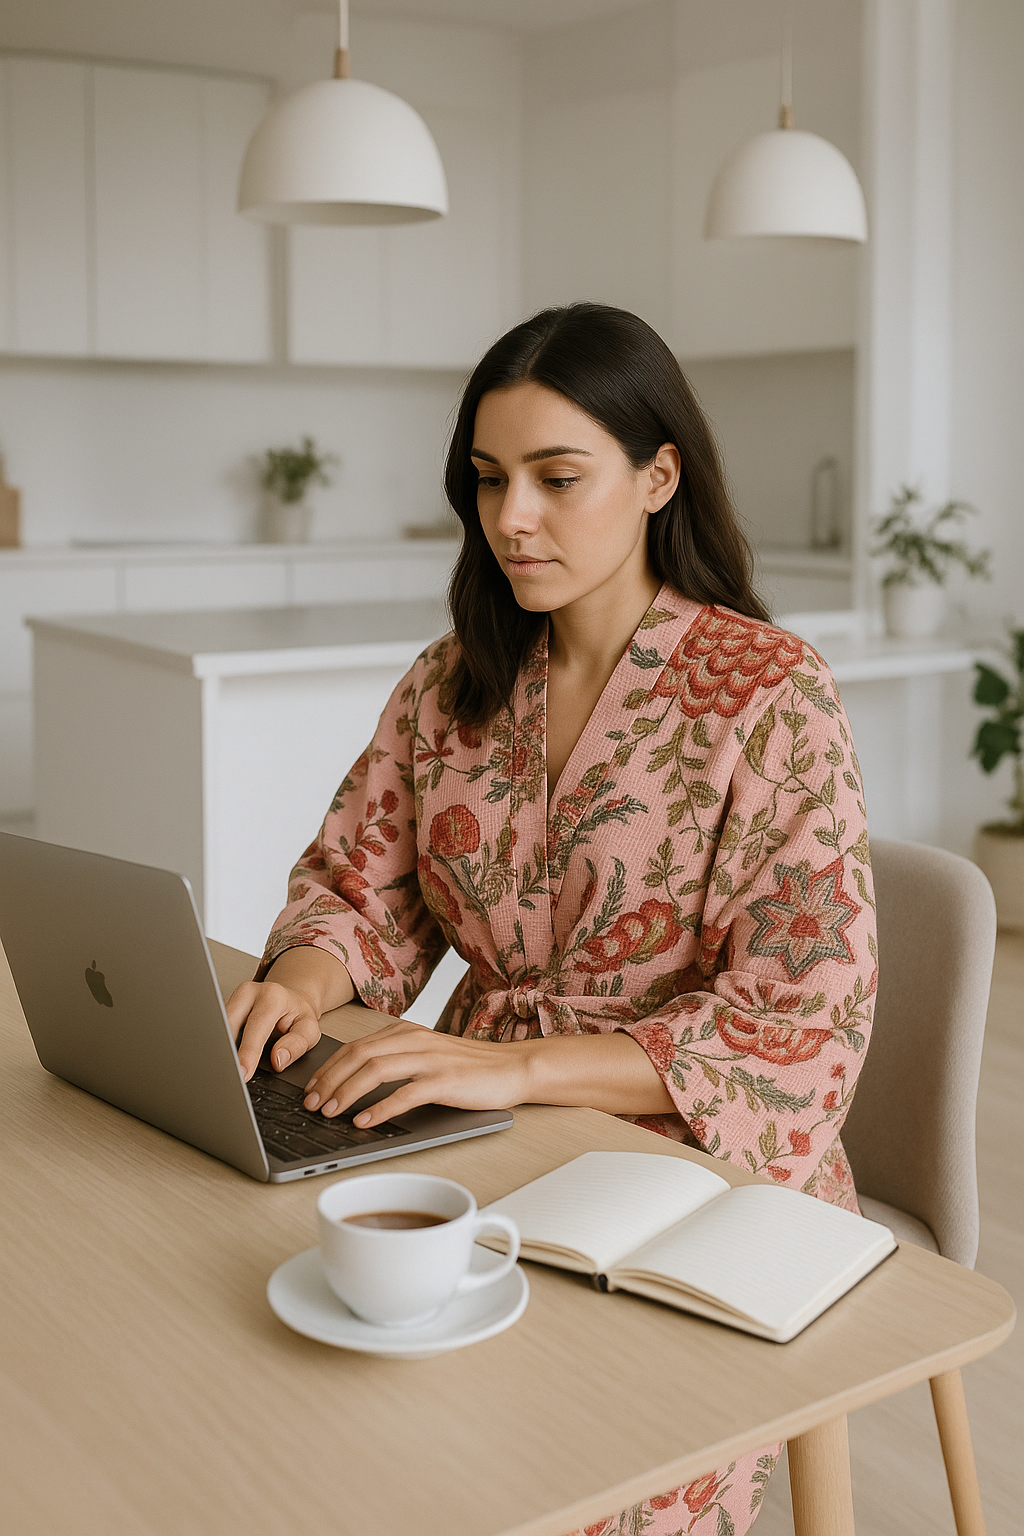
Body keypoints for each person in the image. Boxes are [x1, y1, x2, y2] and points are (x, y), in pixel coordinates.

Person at [228, 303, 876, 1536]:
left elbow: (801, 1026)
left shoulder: (768, 695)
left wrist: (510, 1066)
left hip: (697, 1158)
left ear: (656, 476)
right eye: (487, 480)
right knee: (338, 1396)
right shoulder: (451, 677)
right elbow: (363, 888)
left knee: (574, 1453)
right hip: (484, 1118)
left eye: (554, 477)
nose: (509, 517)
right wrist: (305, 983)